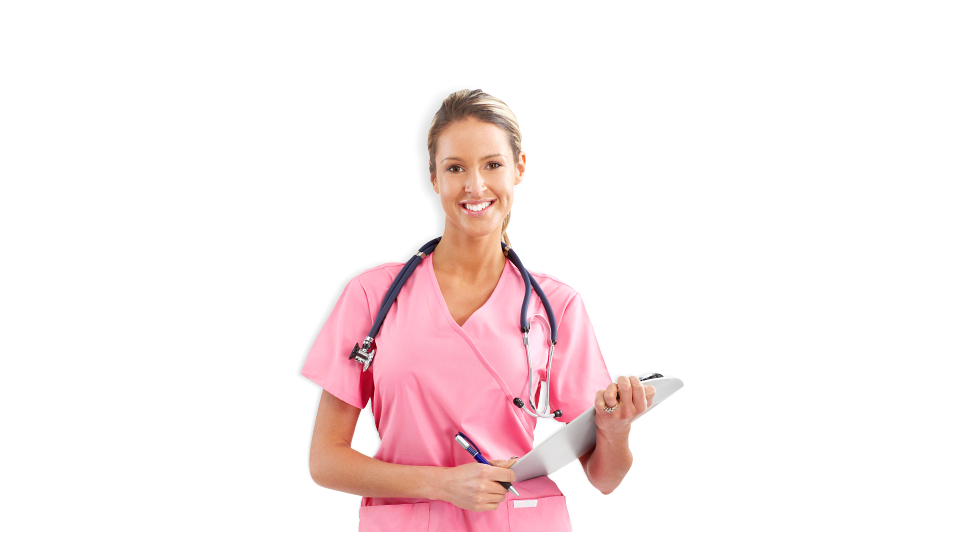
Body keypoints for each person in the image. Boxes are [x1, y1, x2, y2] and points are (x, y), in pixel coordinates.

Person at [302, 89, 656, 532]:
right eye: (455, 168)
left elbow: (605, 478)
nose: (475, 186)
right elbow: (325, 460)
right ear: (434, 177)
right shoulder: (372, 296)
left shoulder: (557, 307)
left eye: (492, 164)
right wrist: (442, 484)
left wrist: (617, 429)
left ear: (519, 169)